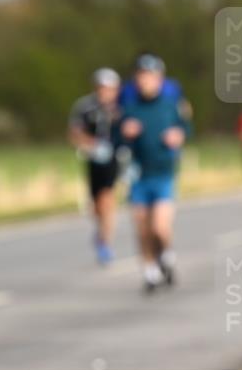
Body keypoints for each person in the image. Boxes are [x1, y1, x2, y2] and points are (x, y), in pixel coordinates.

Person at [119, 54, 189, 293]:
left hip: (163, 173)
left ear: (159, 79)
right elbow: (116, 139)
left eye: (150, 76)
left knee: (160, 227)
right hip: (138, 175)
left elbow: (185, 129)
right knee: (142, 228)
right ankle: (150, 272)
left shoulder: (170, 106)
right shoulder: (129, 107)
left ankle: (166, 255)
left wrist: (177, 136)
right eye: (141, 76)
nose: (145, 81)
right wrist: (125, 133)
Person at [69, 68, 122, 265]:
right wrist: (91, 144)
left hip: (115, 159)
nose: (105, 92)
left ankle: (105, 243)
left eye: (109, 88)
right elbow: (74, 132)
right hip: (94, 160)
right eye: (102, 88)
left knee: (107, 199)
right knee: (96, 206)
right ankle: (101, 232)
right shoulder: (85, 107)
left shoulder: (122, 107)